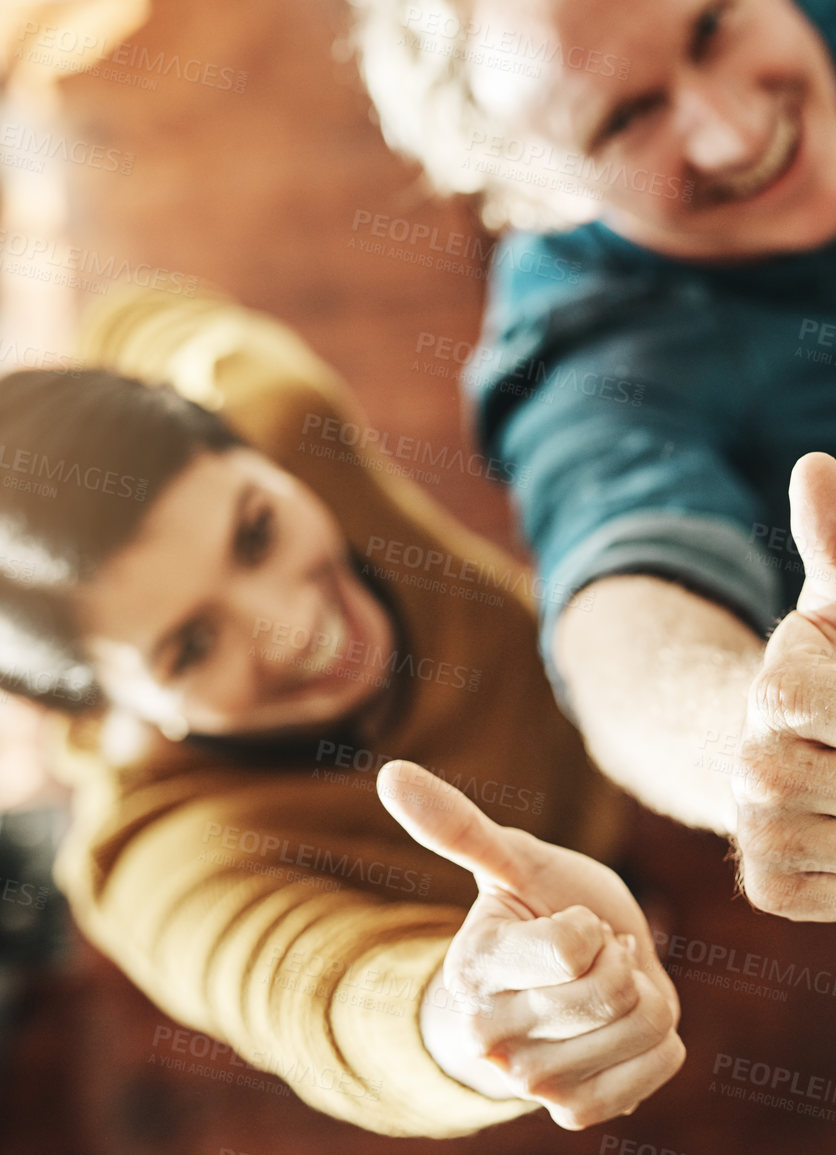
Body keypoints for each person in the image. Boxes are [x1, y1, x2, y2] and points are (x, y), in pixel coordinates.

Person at [348, 0, 836, 920]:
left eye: (713, 26)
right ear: (538, 195)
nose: (732, 132)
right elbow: (623, 619)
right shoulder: (597, 360)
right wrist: (752, 746)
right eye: (624, 118)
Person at [5, 290, 682, 1136]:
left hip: (592, 705)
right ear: (110, 709)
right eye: (190, 647)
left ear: (248, 448)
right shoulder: (155, 854)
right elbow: (299, 987)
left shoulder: (277, 408)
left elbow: (132, 311)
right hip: (493, 921)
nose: (288, 630)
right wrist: (465, 1018)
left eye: (255, 532)